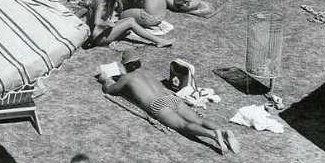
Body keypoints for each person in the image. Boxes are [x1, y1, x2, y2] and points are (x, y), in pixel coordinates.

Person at [100, 52, 240, 154]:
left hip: (157, 104)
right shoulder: (148, 72)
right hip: (171, 98)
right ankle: (224, 131)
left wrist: (105, 79)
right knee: (199, 119)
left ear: (126, 66)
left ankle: (213, 135)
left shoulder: (127, 78)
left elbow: (110, 90)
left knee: (183, 125)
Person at [86, 0, 173, 48]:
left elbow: (120, 11)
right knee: (130, 22)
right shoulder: (101, 0)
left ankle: (158, 41)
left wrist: (119, 1)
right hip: (97, 37)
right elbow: (97, 22)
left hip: (103, 31)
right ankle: (159, 41)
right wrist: (108, 24)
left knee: (130, 22)